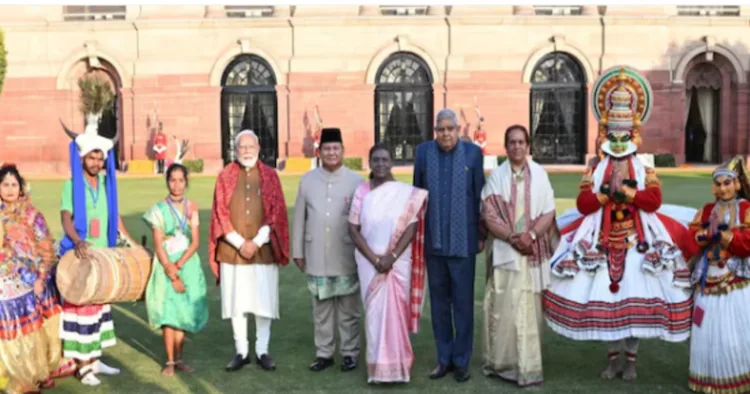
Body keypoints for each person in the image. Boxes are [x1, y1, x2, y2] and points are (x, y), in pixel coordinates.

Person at [543, 66, 694, 381]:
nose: (619, 140)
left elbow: (654, 200)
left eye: (624, 135)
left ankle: (632, 362)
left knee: (632, 308)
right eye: (614, 134)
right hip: (601, 239)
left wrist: (628, 192)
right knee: (607, 305)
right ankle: (613, 361)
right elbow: (584, 204)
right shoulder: (595, 168)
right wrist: (603, 196)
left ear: (633, 133)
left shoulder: (642, 167)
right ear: (606, 133)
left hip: (637, 241)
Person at [58, 122, 138, 386]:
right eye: (91, 156)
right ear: (82, 157)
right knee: (82, 312)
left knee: (100, 310)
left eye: (99, 156)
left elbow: (114, 218)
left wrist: (130, 243)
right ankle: (83, 367)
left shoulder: (106, 183)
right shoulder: (72, 185)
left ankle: (95, 360)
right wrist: (78, 240)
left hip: (102, 258)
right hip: (80, 256)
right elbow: (66, 217)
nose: (95, 161)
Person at [480, 125, 558, 386]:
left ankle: (529, 365)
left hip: (532, 251)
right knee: (503, 308)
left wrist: (531, 236)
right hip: (505, 252)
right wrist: (514, 238)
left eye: (521, 142)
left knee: (531, 310)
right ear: (506, 147)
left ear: (528, 146)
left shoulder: (540, 175)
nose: (516, 147)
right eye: (511, 142)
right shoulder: (496, 177)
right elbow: (488, 213)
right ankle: (502, 363)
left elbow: (549, 211)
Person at [413, 108, 485, 382]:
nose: (445, 133)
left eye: (450, 129)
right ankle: (444, 359)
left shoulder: (472, 154)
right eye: (440, 129)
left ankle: (462, 360)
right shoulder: (423, 153)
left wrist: (481, 235)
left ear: (458, 129)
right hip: (434, 243)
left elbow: (481, 197)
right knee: (440, 305)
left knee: (464, 304)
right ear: (435, 132)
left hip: (464, 244)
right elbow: (417, 197)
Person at [208, 129, 289, 372]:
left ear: (259, 147)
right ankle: (241, 351)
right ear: (235, 149)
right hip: (232, 252)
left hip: (262, 250)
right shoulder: (225, 176)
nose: (246, 151)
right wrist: (239, 242)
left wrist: (257, 241)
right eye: (241, 147)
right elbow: (220, 212)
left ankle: (262, 350)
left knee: (263, 301)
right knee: (237, 302)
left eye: (250, 147)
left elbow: (276, 212)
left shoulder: (270, 176)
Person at [348, 144, 428, 383]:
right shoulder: (362, 191)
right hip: (368, 263)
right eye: (376, 160)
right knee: (373, 315)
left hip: (397, 262)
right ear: (370, 162)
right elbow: (353, 229)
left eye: (384, 159)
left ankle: (399, 366)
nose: (380, 164)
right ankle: (377, 369)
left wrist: (390, 258)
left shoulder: (405, 193)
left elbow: (412, 227)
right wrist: (374, 259)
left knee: (397, 313)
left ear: (391, 162)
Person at [292, 128, 364, 372]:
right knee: (322, 310)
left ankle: (350, 353)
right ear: (320, 152)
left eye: (336, 148)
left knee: (349, 309)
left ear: (343, 151)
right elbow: (299, 217)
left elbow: (364, 220)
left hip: (347, 254)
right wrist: (297, 251)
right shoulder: (307, 180)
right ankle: (324, 353)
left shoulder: (357, 181)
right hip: (316, 254)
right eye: (327, 149)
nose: (332, 153)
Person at [0, 164, 74, 393]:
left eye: (14, 185)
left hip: (34, 278)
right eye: (5, 185)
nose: (10, 190)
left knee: (35, 329)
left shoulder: (32, 214)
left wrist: (40, 277)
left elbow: (46, 249)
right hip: (7, 279)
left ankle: (35, 372)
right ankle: (15, 372)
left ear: (21, 188)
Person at [685, 156, 750, 394]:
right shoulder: (706, 210)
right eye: (719, 184)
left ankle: (735, 377)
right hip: (708, 278)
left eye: (728, 183)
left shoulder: (746, 209)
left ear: (737, 185)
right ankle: (708, 379)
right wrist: (704, 235)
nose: (723, 188)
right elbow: (690, 240)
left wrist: (726, 237)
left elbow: (748, 244)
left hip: (736, 281)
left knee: (734, 332)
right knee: (706, 331)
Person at [143, 163, 208, 376]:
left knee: (182, 312)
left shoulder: (193, 207)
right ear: (167, 181)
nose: (177, 185)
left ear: (186, 183)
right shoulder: (158, 210)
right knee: (168, 313)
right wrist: (170, 269)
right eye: (173, 180)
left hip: (187, 264)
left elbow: (195, 241)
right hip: (165, 264)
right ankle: (169, 361)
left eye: (181, 180)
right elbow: (158, 243)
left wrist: (179, 266)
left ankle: (179, 359)